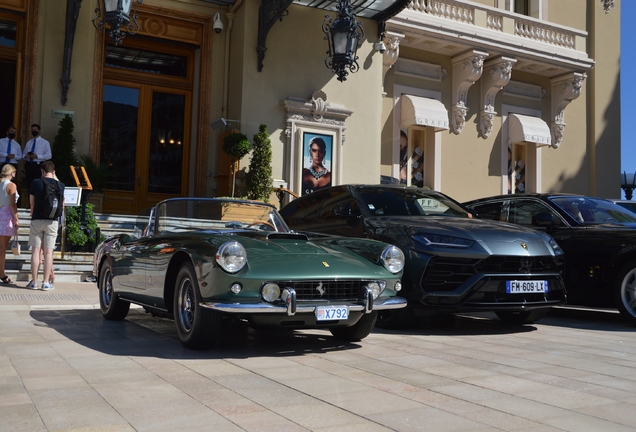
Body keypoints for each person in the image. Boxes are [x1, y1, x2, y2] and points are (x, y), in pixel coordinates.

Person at [27, 160, 64, 291]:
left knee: (36, 251)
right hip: (52, 221)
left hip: (37, 219)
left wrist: (33, 214)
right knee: (49, 252)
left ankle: (34, 282)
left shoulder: (36, 182)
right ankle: (46, 282)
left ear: (42, 171)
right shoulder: (61, 185)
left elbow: (31, 203)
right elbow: (62, 205)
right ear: (53, 172)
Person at [0, 164, 19, 284]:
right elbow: (12, 204)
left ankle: (2, 272)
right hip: (6, 215)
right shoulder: (11, 185)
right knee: (3, 247)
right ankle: (2, 273)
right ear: (11, 173)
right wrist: (16, 218)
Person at [23, 123, 52, 192]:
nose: (34, 131)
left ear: (39, 131)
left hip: (38, 165)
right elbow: (23, 154)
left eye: (35, 130)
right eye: (32, 130)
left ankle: (38, 200)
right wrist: (26, 156)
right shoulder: (29, 142)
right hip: (29, 164)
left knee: (39, 184)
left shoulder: (45, 142)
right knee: (29, 184)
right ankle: (30, 201)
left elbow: (49, 155)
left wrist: (37, 156)